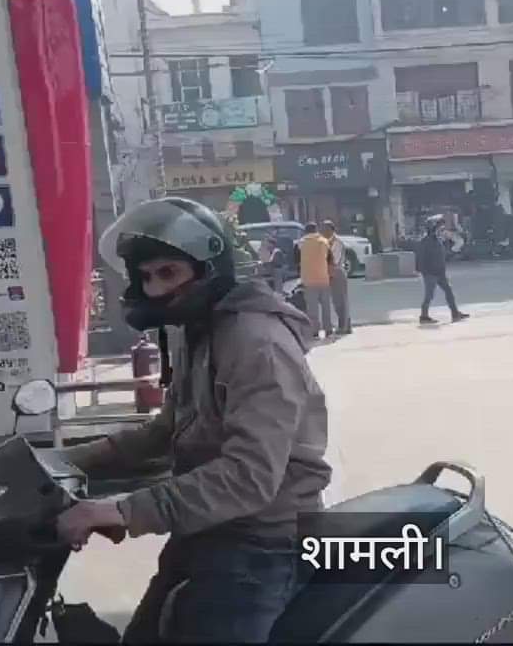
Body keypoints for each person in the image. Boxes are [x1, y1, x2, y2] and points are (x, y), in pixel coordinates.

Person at [55, 196, 332, 644]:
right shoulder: (202, 330)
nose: (155, 290)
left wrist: (124, 511)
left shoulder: (255, 343)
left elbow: (249, 477)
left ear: (207, 269)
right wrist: (63, 461)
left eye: (169, 273)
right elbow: (167, 429)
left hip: (262, 545)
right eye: (146, 277)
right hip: (209, 529)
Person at [416, 215, 469, 325]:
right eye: (439, 227)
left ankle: (455, 313)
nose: (442, 230)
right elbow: (420, 259)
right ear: (433, 228)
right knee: (429, 295)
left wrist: (453, 253)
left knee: (449, 291)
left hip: (440, 272)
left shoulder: (437, 240)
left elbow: (442, 255)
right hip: (431, 273)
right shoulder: (425, 242)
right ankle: (424, 316)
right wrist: (425, 272)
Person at [295, 222, 334, 338]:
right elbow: (330, 260)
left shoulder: (300, 244)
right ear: (316, 230)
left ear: (305, 231)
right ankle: (328, 330)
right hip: (323, 278)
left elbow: (296, 261)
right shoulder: (324, 242)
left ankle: (315, 331)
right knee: (326, 306)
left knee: (312, 309)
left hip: (308, 280)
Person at [320, 221, 352, 335]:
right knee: (336, 302)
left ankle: (345, 326)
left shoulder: (337, 242)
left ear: (331, 230)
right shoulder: (325, 242)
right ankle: (343, 325)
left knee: (342, 301)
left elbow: (336, 260)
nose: (323, 231)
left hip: (337, 273)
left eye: (325, 229)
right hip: (330, 273)